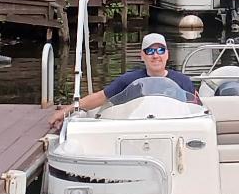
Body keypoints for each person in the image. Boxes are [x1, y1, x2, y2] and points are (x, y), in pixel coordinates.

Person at [52, 32, 198, 125]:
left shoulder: (183, 81)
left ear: (167, 54)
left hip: (173, 127)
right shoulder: (129, 80)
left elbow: (194, 110)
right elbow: (100, 97)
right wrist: (66, 111)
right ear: (142, 55)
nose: (155, 55)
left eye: (160, 50)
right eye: (150, 51)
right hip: (138, 127)